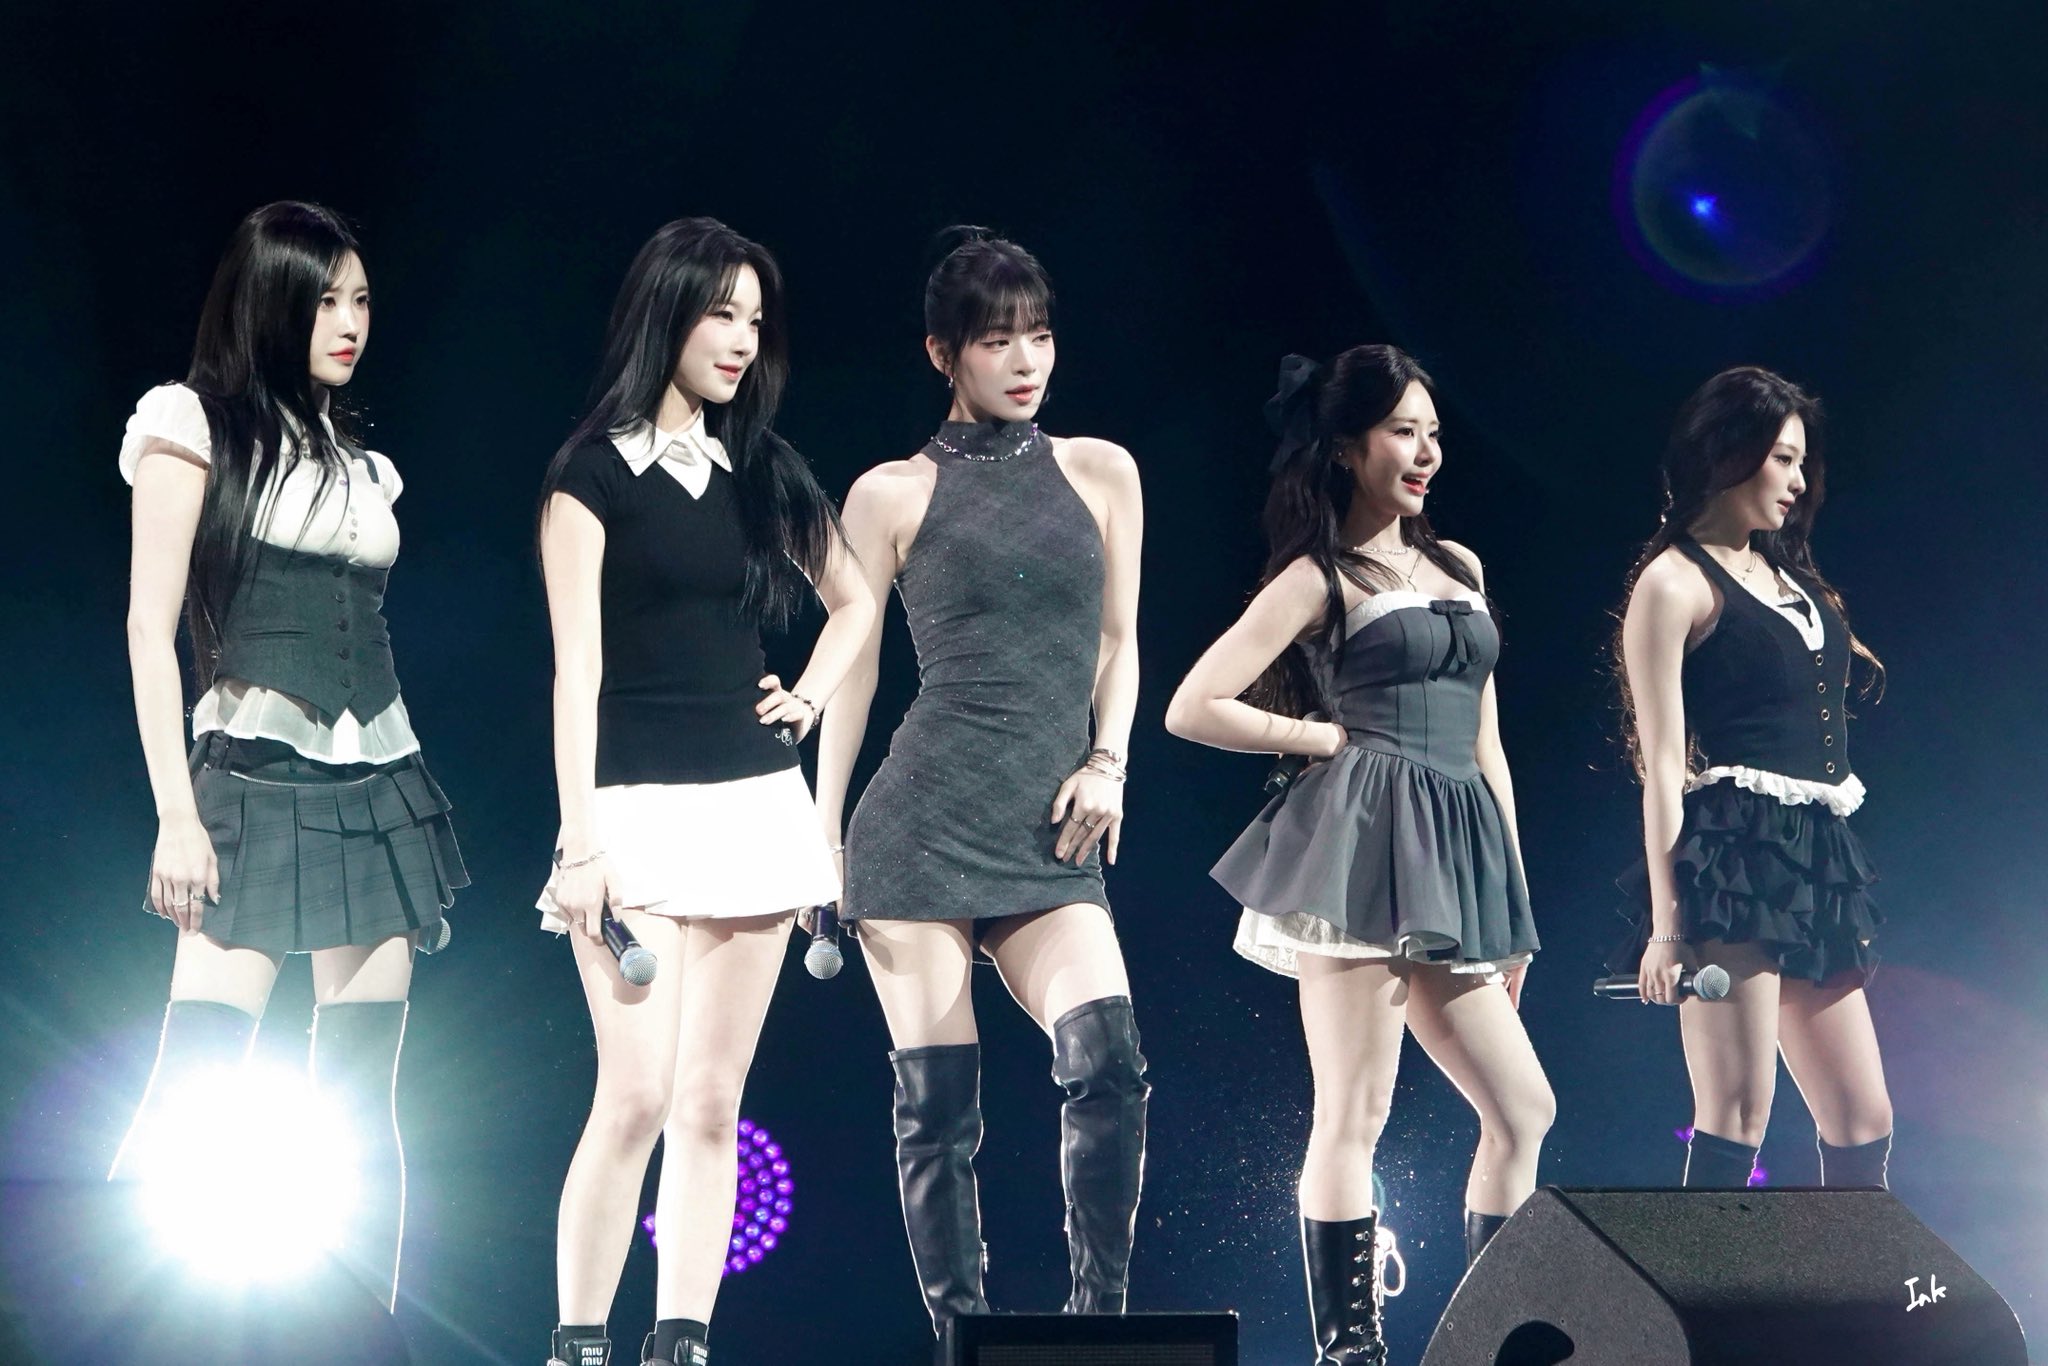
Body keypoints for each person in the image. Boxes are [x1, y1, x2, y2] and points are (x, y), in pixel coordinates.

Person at [112, 200, 467, 1311]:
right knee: (195, 1090)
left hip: (379, 785)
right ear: (270, 302)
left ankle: (364, 1335)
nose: (350, 321)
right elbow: (149, 628)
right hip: (253, 782)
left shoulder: (362, 466)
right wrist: (176, 815)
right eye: (323, 301)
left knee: (361, 1110)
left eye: (360, 299)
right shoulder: (192, 424)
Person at [1166, 347, 1551, 1365]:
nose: (1425, 452)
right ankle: (1351, 1352)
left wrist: (1511, 903)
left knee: (1523, 1109)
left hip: (1456, 856)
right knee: (1355, 1110)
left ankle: (1488, 1340)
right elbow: (1192, 705)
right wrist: (1322, 738)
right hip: (1358, 847)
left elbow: (1487, 745)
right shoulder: (1317, 576)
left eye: (1433, 433)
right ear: (1346, 447)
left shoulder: (1460, 565)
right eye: (1401, 432)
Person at [537, 218, 871, 1366]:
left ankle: (680, 1341)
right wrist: (580, 841)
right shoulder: (590, 474)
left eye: (754, 320)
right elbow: (574, 671)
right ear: (665, 312)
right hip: (630, 810)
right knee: (633, 1096)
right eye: (720, 313)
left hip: (751, 807)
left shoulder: (760, 467)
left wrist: (809, 698)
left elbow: (855, 600)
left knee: (712, 1102)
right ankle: (578, 1343)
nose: (740, 339)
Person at [814, 227, 1149, 1332]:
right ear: (941, 353)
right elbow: (855, 672)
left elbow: (1119, 642)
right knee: (939, 1111)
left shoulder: (1100, 470)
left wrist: (1108, 760)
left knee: (1108, 1063)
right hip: (917, 829)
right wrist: (821, 836)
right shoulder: (888, 493)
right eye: (997, 339)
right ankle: (964, 1343)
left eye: (1038, 334)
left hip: (1048, 832)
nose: (1025, 359)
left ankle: (1097, 1336)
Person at [1611, 365, 1891, 1191]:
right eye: (1783, 459)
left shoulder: (1788, 575)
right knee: (1736, 1114)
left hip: (1815, 853)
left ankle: (1851, 1274)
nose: (1799, 483)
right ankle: (1701, 1277)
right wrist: (1668, 928)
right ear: (1730, 452)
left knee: (1863, 1118)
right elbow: (1662, 765)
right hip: (1732, 857)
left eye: (1803, 463)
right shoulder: (1673, 581)